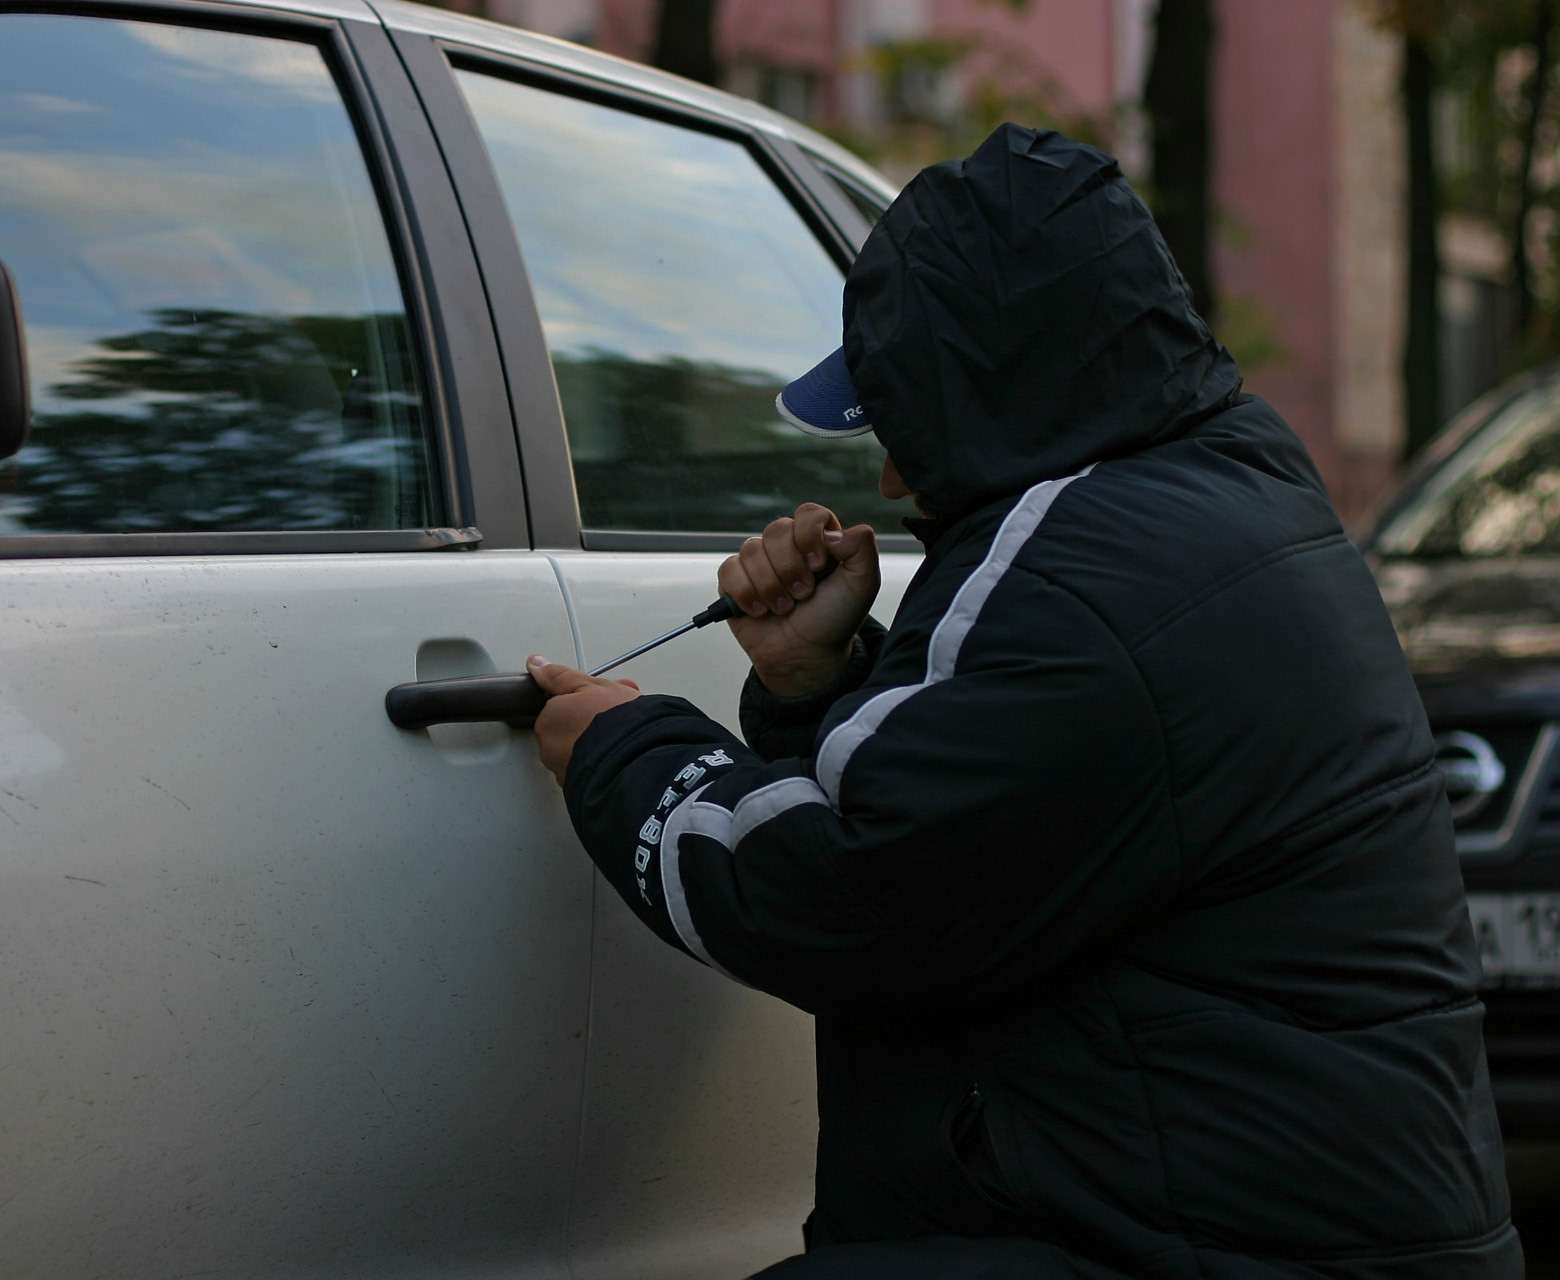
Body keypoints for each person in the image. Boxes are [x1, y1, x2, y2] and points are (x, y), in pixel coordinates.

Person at [525, 124, 1520, 1279]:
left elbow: (848, 896)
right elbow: (996, 834)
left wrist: (618, 749)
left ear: (984, 386)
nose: (890, 474)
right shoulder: (1218, 489)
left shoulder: (1073, 572)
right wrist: (819, 682)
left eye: (904, 409)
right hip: (1275, 1228)